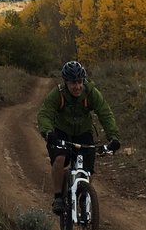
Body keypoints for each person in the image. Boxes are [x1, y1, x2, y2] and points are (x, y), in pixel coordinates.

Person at [37, 60, 120, 215]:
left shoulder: (91, 93)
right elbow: (44, 114)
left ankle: (84, 195)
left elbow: (105, 113)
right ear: (66, 82)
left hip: (83, 133)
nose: (77, 86)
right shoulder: (58, 94)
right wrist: (48, 132)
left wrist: (113, 137)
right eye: (73, 83)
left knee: (88, 168)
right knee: (60, 159)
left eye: (80, 82)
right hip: (61, 132)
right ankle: (58, 198)